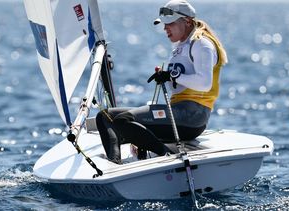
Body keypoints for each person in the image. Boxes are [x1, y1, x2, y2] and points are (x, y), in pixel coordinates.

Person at [95, 0, 227, 164]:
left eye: (169, 24)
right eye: (163, 25)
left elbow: (205, 83)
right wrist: (166, 76)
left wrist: (172, 76)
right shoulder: (182, 46)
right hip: (177, 111)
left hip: (192, 117)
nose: (165, 29)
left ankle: (166, 156)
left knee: (123, 121)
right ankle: (113, 164)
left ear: (186, 21)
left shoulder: (201, 43)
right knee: (104, 116)